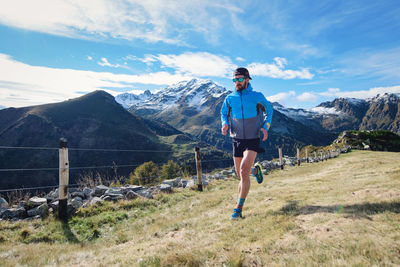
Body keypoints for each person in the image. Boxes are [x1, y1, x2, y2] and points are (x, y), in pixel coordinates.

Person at [221, 67, 273, 220]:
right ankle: (256, 171)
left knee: (244, 170)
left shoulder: (257, 96)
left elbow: (269, 111)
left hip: (253, 138)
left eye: (240, 79)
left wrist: (265, 127)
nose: (237, 82)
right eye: (234, 80)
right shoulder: (230, 98)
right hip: (236, 138)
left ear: (247, 79)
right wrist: (224, 123)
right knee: (240, 174)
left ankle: (238, 209)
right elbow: (223, 112)